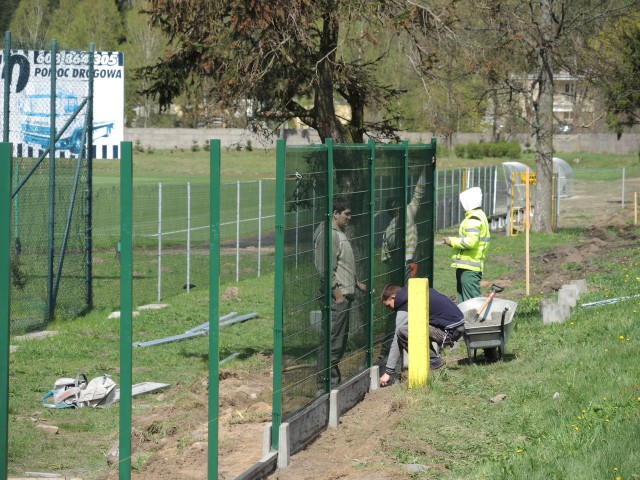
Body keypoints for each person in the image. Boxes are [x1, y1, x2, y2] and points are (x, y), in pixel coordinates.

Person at [314, 195, 366, 388]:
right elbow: (325, 269)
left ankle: (331, 381)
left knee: (338, 341)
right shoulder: (329, 235)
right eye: (346, 214)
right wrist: (338, 295)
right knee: (333, 343)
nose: (349, 218)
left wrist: (356, 283)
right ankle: (326, 385)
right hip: (336, 297)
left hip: (343, 293)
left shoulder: (336, 232)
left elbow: (341, 263)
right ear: (335, 214)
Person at [379, 283, 464, 387]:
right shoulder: (412, 292)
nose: (390, 309)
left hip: (450, 331)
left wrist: (388, 371)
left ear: (393, 297)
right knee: (416, 327)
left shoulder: (405, 303)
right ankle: (433, 361)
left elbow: (397, 339)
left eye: (388, 305)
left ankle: (434, 363)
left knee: (402, 332)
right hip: (457, 325)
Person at [443, 187, 490, 303]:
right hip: (467, 266)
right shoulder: (478, 216)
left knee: (471, 300)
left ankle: (476, 319)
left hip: (469, 267)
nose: (461, 206)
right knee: (464, 301)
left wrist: (452, 241)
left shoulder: (473, 219)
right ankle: (466, 319)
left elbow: (470, 242)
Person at [381, 165, 427, 280]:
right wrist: (425, 168)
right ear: (398, 208)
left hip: (395, 267)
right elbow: (418, 193)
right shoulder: (407, 213)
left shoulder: (387, 230)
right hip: (410, 264)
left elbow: (385, 258)